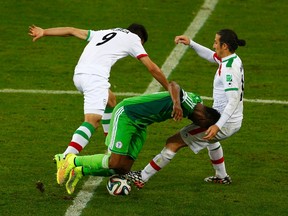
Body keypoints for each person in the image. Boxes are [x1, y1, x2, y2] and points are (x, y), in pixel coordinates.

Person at [28, 23, 183, 176]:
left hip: (79, 76)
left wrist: (44, 31)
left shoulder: (104, 32)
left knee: (111, 100)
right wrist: (169, 88)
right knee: (92, 121)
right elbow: (152, 68)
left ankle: (110, 146)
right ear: (141, 40)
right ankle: (66, 157)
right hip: (95, 79)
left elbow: (72, 30)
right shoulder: (133, 39)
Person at [126, 29, 246, 188]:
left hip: (224, 122)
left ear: (224, 45)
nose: (214, 45)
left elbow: (233, 100)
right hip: (228, 119)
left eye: (216, 42)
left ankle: (142, 177)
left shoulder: (228, 70)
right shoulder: (232, 59)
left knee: (173, 142)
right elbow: (211, 56)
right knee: (210, 140)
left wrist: (217, 126)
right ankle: (221, 176)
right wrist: (191, 43)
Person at [56, 81, 220, 194]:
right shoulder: (189, 103)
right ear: (204, 118)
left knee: (122, 168)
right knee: (114, 161)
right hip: (127, 115)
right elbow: (173, 84)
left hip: (141, 125)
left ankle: (80, 170)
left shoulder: (197, 103)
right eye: (202, 125)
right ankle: (71, 160)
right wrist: (176, 103)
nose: (196, 126)